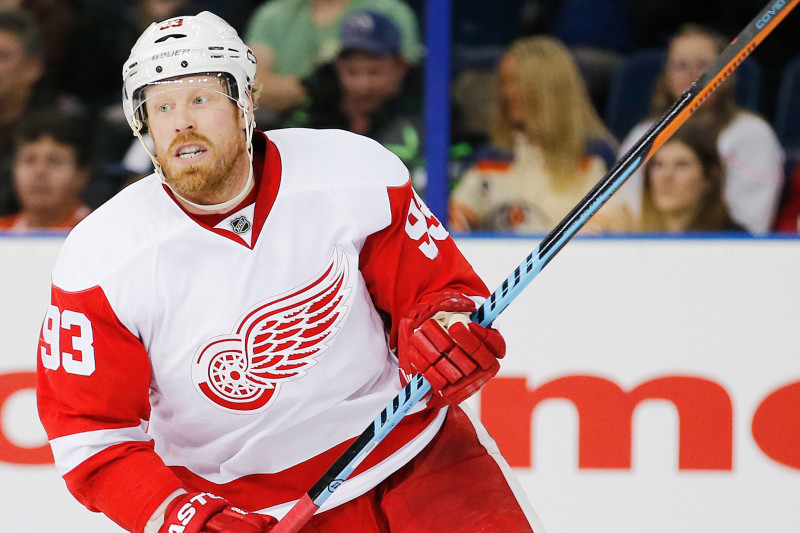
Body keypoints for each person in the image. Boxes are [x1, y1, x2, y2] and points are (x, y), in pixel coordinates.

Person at [35, 11, 544, 533]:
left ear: (245, 101)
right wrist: (179, 516)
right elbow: (91, 437)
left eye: (201, 99)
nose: (181, 121)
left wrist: (445, 330)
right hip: (251, 512)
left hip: (416, 457)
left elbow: (437, 293)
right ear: (141, 123)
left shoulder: (350, 172)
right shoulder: (102, 259)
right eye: (161, 105)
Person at [612, 23, 785, 234]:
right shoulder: (644, 132)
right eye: (681, 65)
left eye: (703, 65)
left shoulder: (752, 133)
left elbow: (752, 222)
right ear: (667, 75)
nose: (692, 75)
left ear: (727, 72)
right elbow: (624, 210)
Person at [448, 35, 617, 233]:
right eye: (504, 83)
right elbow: (454, 220)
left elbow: (604, 234)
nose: (508, 93)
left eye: (518, 82)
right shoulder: (492, 158)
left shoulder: (596, 157)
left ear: (550, 89)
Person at [290, 10, 424, 181]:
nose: (363, 85)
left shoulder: (426, 121)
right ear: (337, 68)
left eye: (374, 73)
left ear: (400, 69)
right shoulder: (309, 119)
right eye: (352, 73)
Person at [244, 0, 421, 116]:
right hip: (296, 125)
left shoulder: (391, 10)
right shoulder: (272, 15)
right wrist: (312, 86)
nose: (360, 83)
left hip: (383, 124)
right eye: (352, 73)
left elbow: (408, 83)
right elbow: (254, 89)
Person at [596, 124, 746, 233]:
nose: (666, 176)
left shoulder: (736, 243)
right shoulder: (629, 239)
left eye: (682, 165)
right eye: (658, 165)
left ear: (709, 178)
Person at [0, 113, 91, 231]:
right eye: (29, 160)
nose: (40, 172)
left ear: (82, 174)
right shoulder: (3, 231)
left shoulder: (98, 232)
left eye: (55, 161)